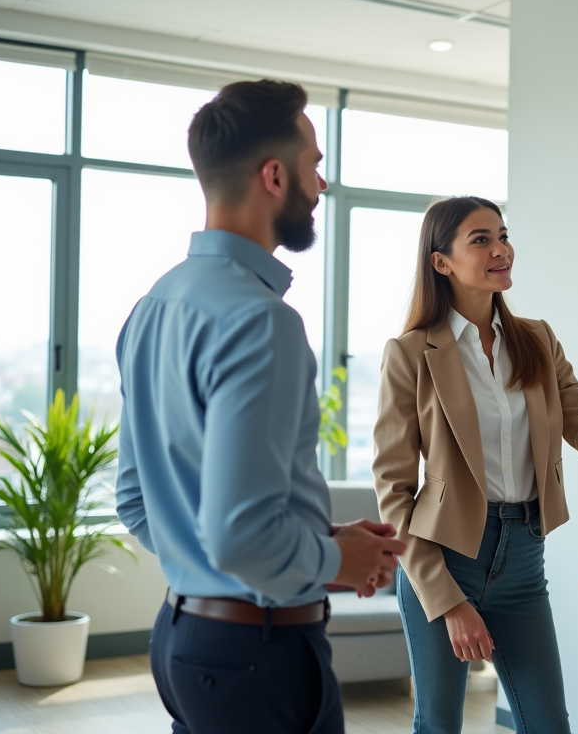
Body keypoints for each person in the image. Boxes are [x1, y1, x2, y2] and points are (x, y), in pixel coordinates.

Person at [115, 79, 406, 734]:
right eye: (314, 165)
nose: (321, 185)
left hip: (183, 643)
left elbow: (139, 502)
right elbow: (239, 536)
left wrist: (302, 544)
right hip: (258, 657)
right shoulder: (260, 320)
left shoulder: (153, 306)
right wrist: (335, 560)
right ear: (274, 176)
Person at [372, 196, 578, 733]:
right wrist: (448, 603)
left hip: (523, 558)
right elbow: (393, 490)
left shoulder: (537, 340)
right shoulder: (409, 354)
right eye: (481, 240)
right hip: (444, 558)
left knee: (548, 724)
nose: (501, 249)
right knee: (439, 725)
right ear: (441, 262)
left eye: (503, 235)